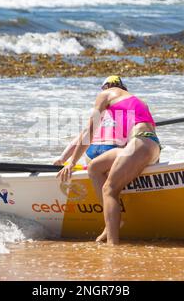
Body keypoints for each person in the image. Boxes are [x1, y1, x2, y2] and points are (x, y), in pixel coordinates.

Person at [57, 76, 161, 245]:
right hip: (149, 146)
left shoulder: (105, 94)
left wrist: (71, 162)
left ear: (105, 88)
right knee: (94, 168)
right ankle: (111, 221)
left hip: (140, 142)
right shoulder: (137, 101)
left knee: (109, 189)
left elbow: (89, 131)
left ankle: (113, 245)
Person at [54, 77, 132, 165]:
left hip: (91, 153)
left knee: (85, 135)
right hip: (112, 152)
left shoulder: (99, 113)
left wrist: (63, 158)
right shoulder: (129, 111)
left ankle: (63, 160)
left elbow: (82, 137)